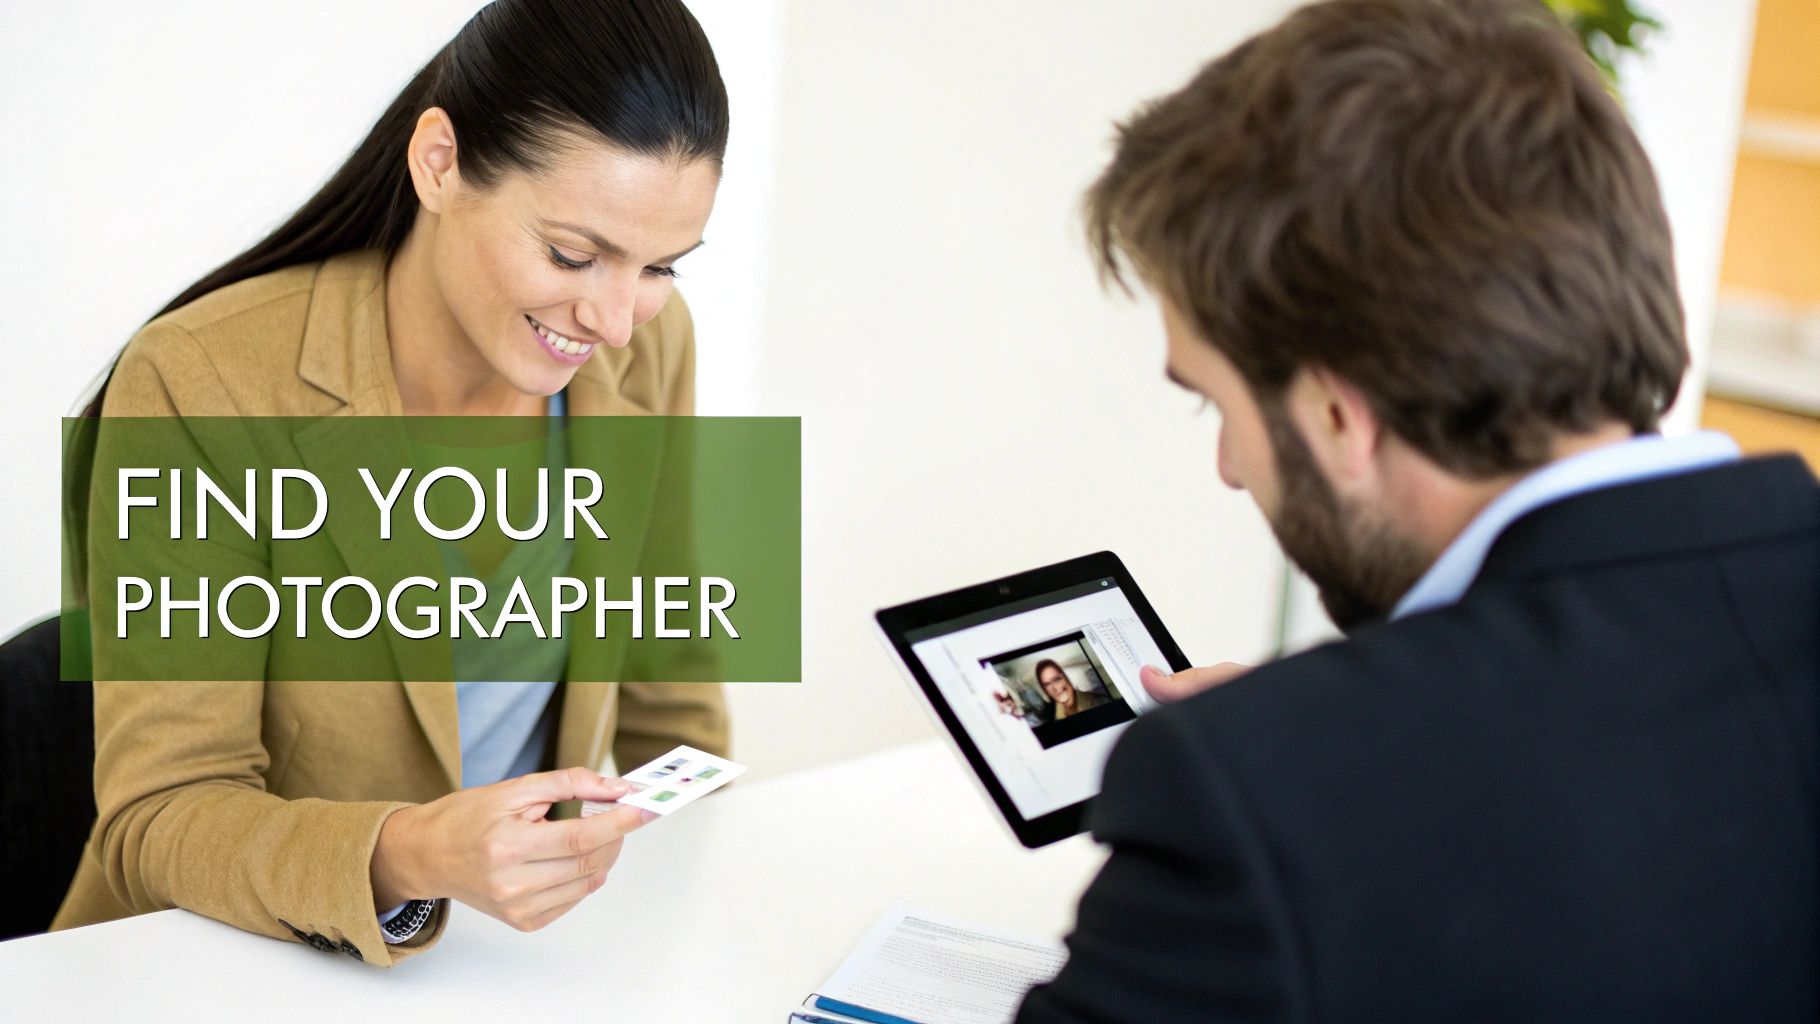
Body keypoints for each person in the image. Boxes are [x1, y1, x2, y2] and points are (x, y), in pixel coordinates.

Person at [1016, 0, 1818, 1019]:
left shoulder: (1256, 803)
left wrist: (1311, 753)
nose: (1225, 465)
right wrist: (1361, 713)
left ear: (1335, 414)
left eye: (1214, 401)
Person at [52, 0, 732, 967]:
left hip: (509, 969)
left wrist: (691, 913)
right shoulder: (203, 378)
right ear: (440, 163)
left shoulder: (647, 347)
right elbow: (159, 814)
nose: (617, 319)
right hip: (229, 967)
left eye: (660, 266)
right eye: (573, 255)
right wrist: (415, 856)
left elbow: (672, 684)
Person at [1033, 659, 1109, 721]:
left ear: (1066, 678)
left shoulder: (1101, 702)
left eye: (1057, 679)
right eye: (1047, 684)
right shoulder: (1051, 717)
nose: (1054, 688)